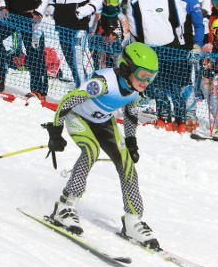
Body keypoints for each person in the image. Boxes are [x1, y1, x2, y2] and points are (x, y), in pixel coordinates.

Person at [43, 42, 160, 249]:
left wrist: (131, 142)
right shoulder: (103, 83)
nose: (146, 82)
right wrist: (55, 131)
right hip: (78, 116)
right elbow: (68, 100)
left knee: (126, 163)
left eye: (151, 77)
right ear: (127, 68)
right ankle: (65, 206)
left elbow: (130, 114)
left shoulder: (134, 90)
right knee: (91, 151)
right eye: (142, 75)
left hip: (104, 122)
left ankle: (133, 220)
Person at [126, 0, 179, 130]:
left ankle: (163, 117)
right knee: (173, 80)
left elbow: (133, 23)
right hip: (170, 44)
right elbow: (177, 20)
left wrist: (140, 42)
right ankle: (181, 119)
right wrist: (179, 40)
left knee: (155, 81)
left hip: (149, 46)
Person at [165, 0, 204, 133]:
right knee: (165, 80)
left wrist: (197, 45)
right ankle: (169, 112)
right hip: (165, 46)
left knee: (184, 82)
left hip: (184, 47)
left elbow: (199, 25)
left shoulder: (190, 1)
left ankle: (190, 114)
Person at [91, 0, 126, 70]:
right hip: (101, 48)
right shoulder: (98, 15)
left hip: (116, 49)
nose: (110, 5)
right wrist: (96, 38)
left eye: (114, 2)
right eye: (108, 1)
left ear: (119, 1)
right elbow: (91, 31)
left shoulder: (121, 17)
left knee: (117, 64)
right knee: (101, 62)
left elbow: (126, 34)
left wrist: (119, 43)